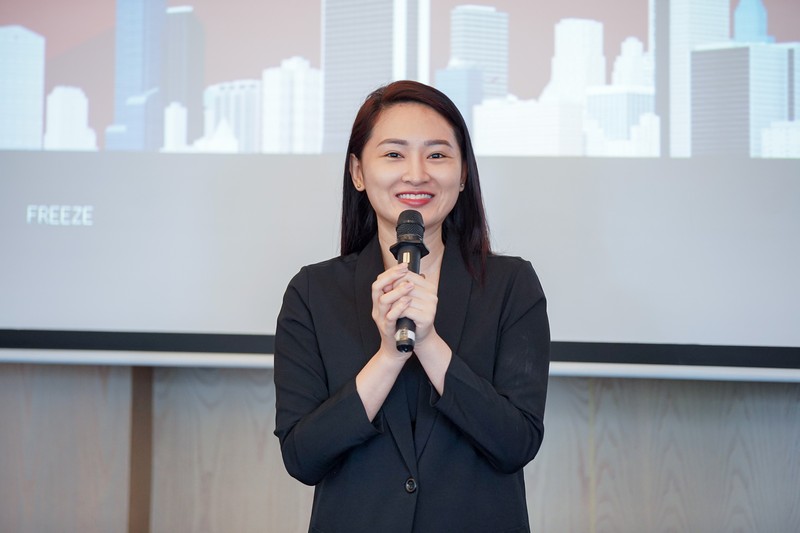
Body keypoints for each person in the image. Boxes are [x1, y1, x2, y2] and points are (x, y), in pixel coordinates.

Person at [273, 80, 550, 533]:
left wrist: (429, 344)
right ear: (358, 172)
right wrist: (388, 357)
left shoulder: (511, 285)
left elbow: (516, 443)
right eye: (394, 154)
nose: (417, 174)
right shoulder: (312, 292)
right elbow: (303, 457)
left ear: (463, 174)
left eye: (437, 155)